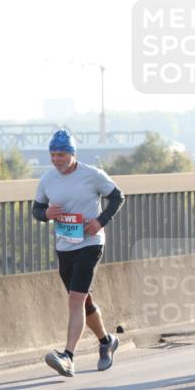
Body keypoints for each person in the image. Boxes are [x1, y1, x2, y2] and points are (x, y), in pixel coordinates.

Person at [32, 129, 124, 377]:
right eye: (52, 155)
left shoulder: (92, 175)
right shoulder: (48, 179)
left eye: (61, 154)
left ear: (72, 154)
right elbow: (37, 209)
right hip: (64, 246)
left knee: (75, 299)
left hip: (90, 243)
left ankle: (68, 357)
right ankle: (106, 342)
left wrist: (100, 221)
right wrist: (46, 215)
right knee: (84, 301)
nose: (56, 159)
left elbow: (117, 197)